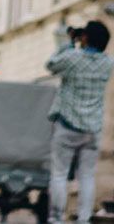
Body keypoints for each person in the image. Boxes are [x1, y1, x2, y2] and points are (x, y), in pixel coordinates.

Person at [46, 20, 113, 224]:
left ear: (85, 38)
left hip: (67, 124)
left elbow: (51, 65)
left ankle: (56, 218)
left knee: (59, 174)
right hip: (92, 129)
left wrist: (68, 43)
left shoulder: (72, 57)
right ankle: (83, 219)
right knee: (87, 177)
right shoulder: (108, 63)